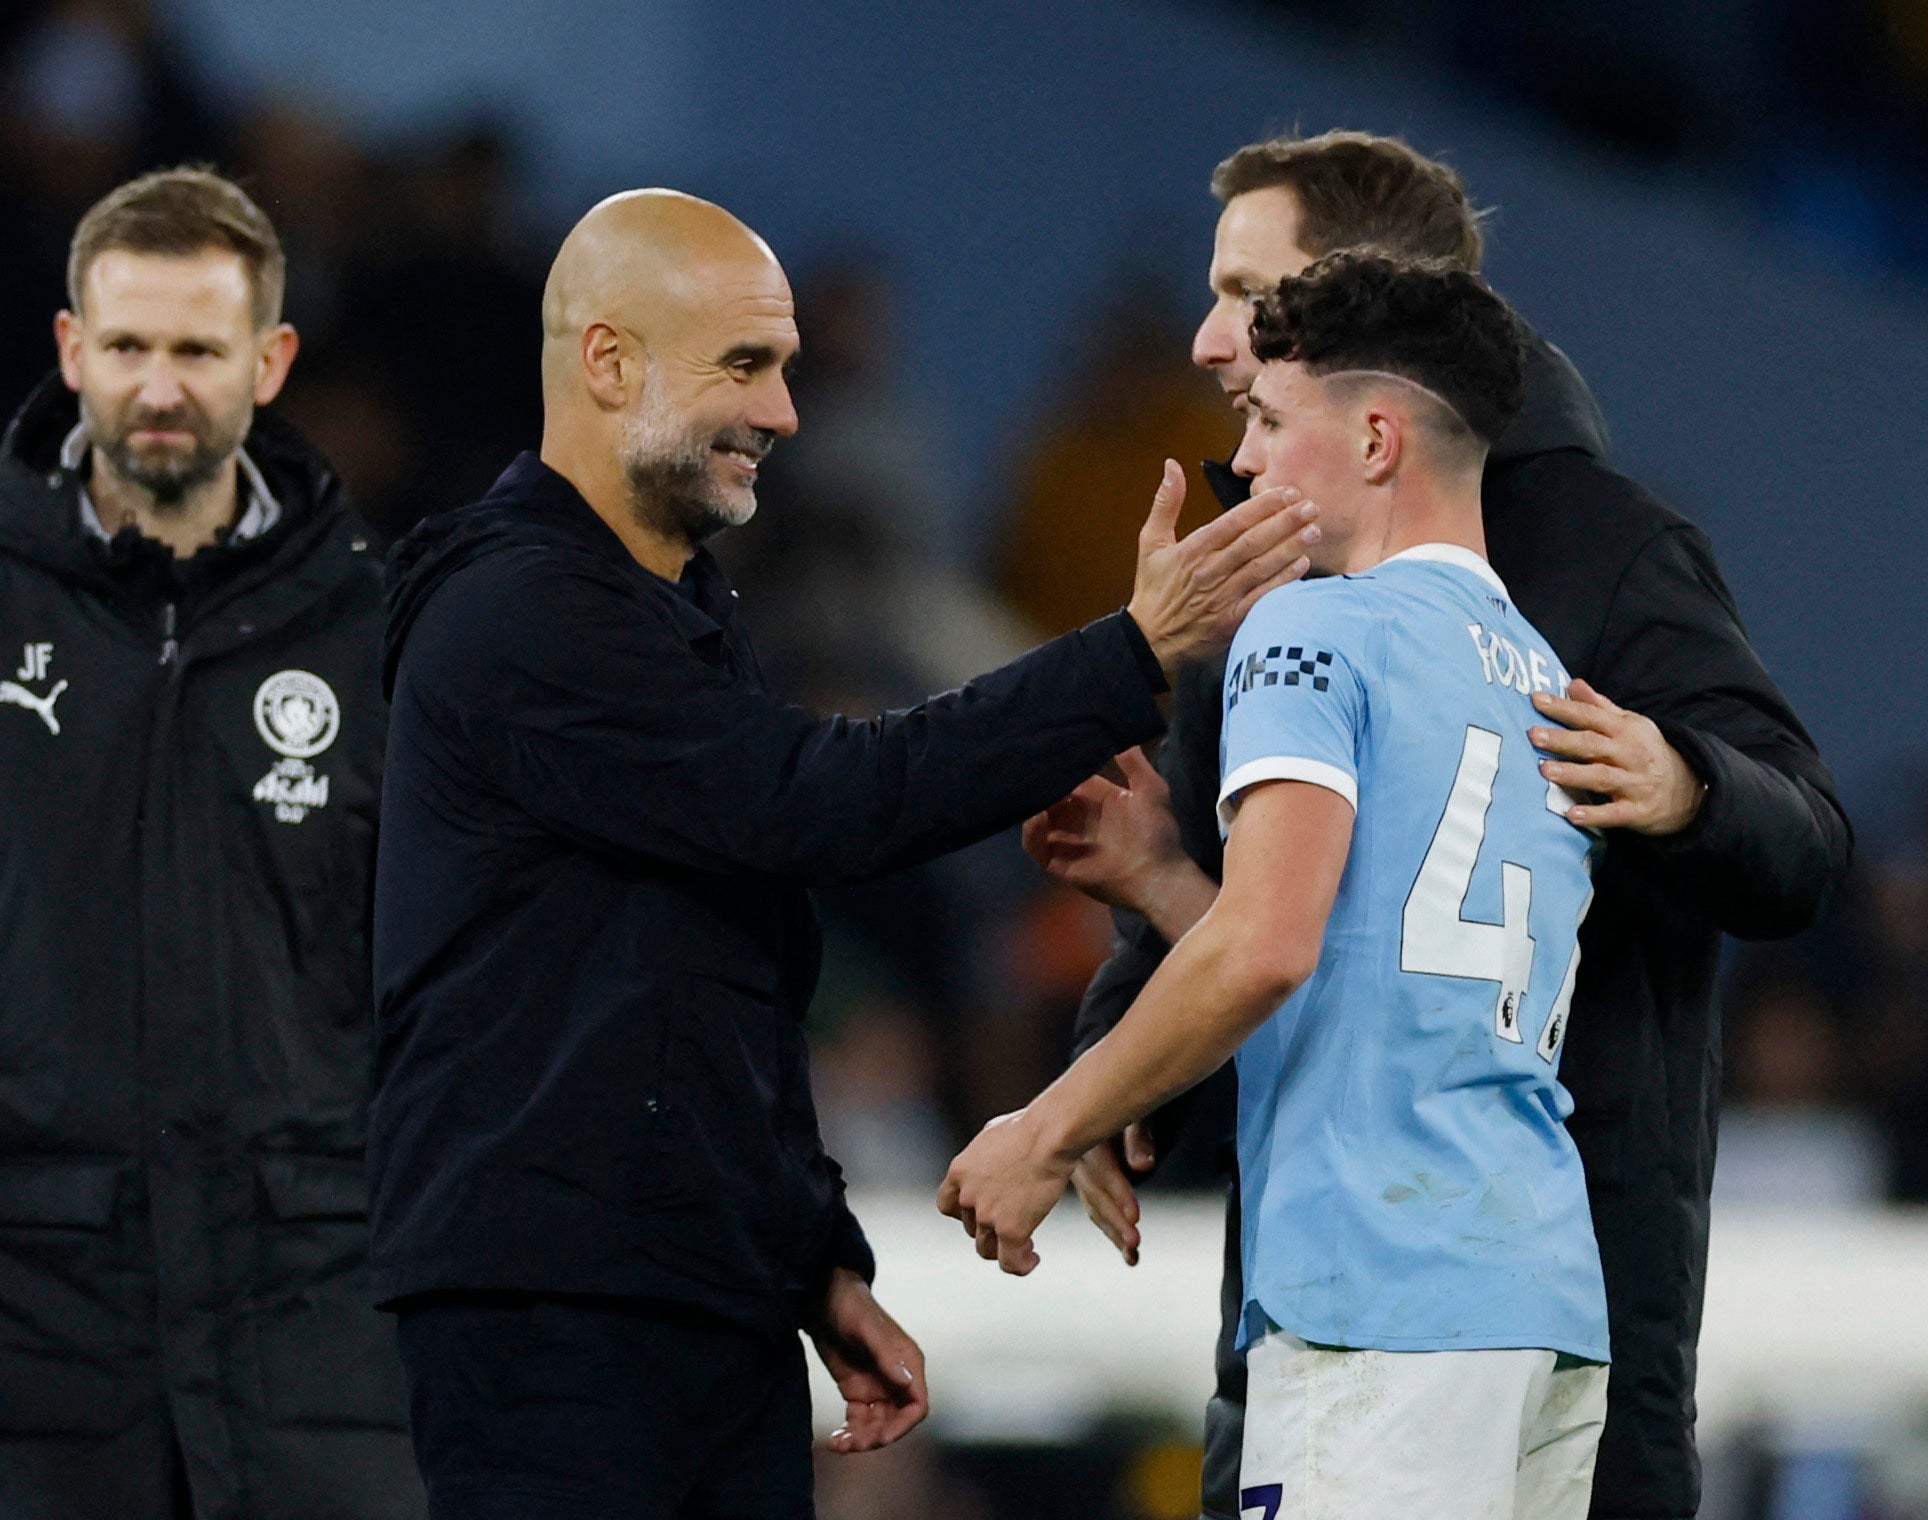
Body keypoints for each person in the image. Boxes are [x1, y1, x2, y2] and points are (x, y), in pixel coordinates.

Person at [368, 189, 1321, 1520]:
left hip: (681, 1300)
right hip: (559, 1320)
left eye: (788, 371)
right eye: (746, 365)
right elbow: (825, 801)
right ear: (607, 360)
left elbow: (700, 977)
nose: (784, 413)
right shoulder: (515, 609)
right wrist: (1131, 653)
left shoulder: (669, 617)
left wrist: (804, 1257)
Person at [1052, 131, 1852, 1520]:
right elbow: (1259, 897)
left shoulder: (1603, 550)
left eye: (1249, 292)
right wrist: (1127, 1082)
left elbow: (1809, 845)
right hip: (1374, 1269)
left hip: (1537, 1270)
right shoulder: (1274, 556)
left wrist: (1687, 783)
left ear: (1372, 317)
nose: (1206, 339)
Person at [941, 252, 1611, 1518]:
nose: (1240, 462)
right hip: (1535, 1298)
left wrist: (1047, 1127)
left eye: (1262, 419)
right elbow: (1375, 979)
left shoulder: (1313, 629)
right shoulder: (1545, 679)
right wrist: (1157, 875)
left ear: (1373, 435)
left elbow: (1268, 948)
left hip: (1378, 1291)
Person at [0, 169, 420, 1517]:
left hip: (319, 1325)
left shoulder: (382, 631)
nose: (159, 386)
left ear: (272, 360)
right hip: (36, 1330)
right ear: (72, 352)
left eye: (198, 348)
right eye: (126, 347)